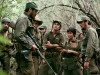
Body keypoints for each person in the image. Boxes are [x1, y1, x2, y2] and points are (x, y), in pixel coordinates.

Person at [14, 2, 38, 75]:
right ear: (30, 10)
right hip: (24, 53)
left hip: (24, 53)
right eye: (35, 11)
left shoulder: (26, 19)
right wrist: (31, 45)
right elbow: (18, 35)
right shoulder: (24, 18)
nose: (36, 13)